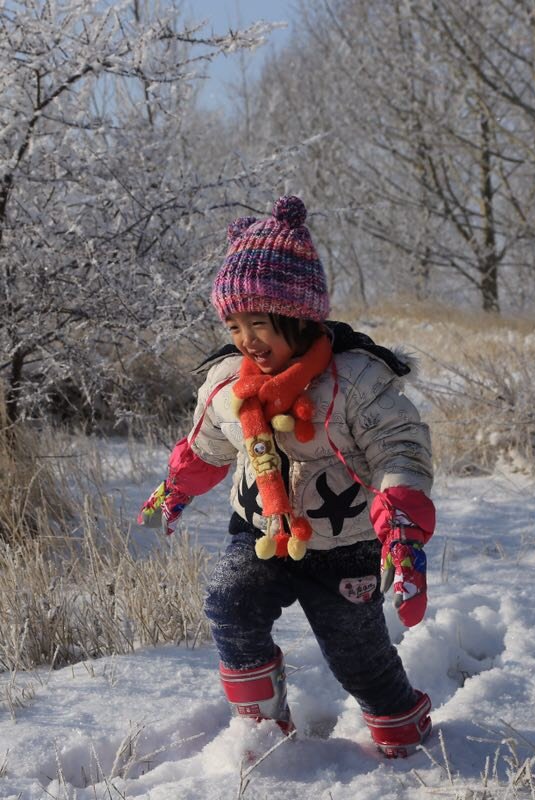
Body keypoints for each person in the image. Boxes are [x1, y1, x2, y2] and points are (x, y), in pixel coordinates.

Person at [138, 196, 436, 758]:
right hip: (258, 531)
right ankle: (262, 725)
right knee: (229, 602)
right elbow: (206, 446)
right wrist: (176, 485)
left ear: (299, 318)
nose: (246, 338)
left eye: (259, 323)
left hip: (345, 545)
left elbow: (400, 448)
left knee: (358, 656)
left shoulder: (357, 381)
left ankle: (402, 720)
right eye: (234, 324)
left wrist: (400, 516)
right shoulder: (227, 384)